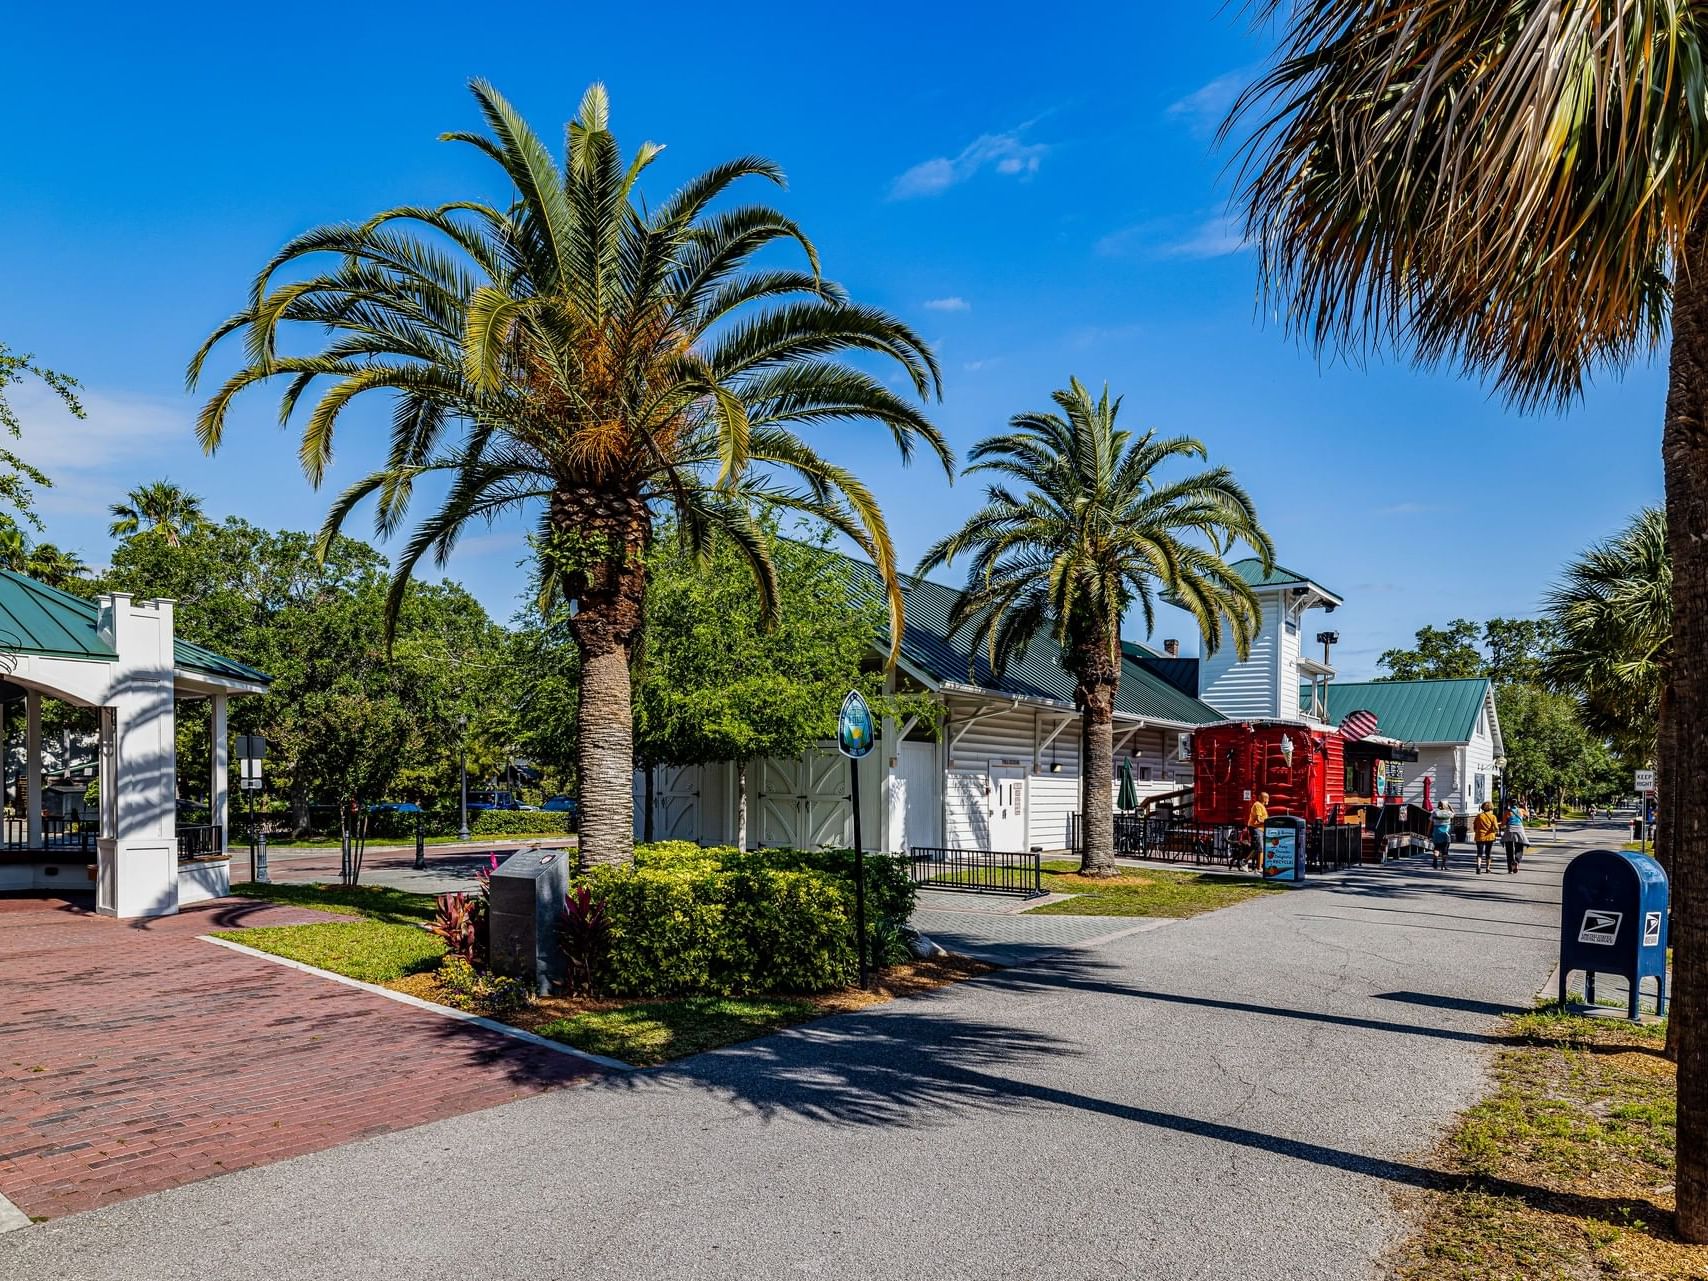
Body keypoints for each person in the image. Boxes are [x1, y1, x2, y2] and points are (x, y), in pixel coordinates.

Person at [1244, 792, 1269, 872]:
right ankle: (1246, 863)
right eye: (1267, 798)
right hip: (1256, 828)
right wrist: (1268, 822)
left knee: (1259, 849)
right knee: (1259, 848)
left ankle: (1258, 868)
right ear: (1263, 798)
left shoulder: (1262, 806)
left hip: (1260, 829)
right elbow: (1259, 819)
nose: (1268, 799)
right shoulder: (1257, 805)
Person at [1473, 801, 1500, 874]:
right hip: (1490, 837)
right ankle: (1487, 868)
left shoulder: (1479, 816)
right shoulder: (1493, 817)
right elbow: (1496, 827)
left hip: (1479, 836)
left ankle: (1478, 867)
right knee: (1488, 853)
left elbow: (1475, 826)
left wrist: (1477, 831)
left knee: (1479, 853)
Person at [1503, 798, 1529, 874]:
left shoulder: (1507, 812)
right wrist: (1525, 806)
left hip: (1509, 831)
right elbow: (1527, 815)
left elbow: (1504, 823)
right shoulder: (1521, 810)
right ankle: (1517, 861)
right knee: (1519, 848)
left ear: (1509, 804)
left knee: (1509, 850)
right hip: (1519, 831)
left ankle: (1510, 868)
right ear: (1517, 804)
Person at [1430, 798, 1455, 869]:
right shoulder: (1449, 813)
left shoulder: (1434, 813)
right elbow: (1454, 814)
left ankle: (1435, 858)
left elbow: (1430, 823)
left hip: (1436, 831)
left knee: (1437, 847)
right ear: (1446, 805)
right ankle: (1443, 865)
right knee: (1445, 849)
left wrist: (1429, 832)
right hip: (1446, 833)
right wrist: (1450, 807)